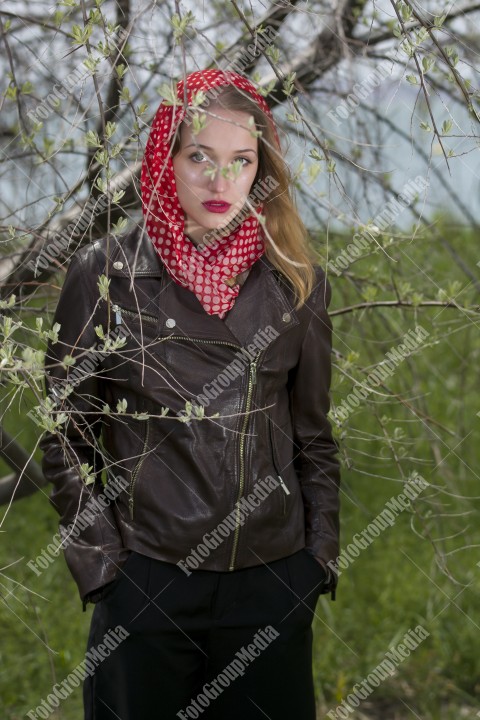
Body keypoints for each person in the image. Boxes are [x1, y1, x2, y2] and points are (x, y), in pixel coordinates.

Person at [40, 69, 340, 720]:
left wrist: (317, 560)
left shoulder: (297, 283)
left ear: (262, 169)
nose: (219, 180)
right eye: (199, 156)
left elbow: (314, 435)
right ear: (166, 158)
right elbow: (62, 428)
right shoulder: (107, 273)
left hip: (272, 577)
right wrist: (105, 568)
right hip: (146, 578)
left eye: (242, 161)